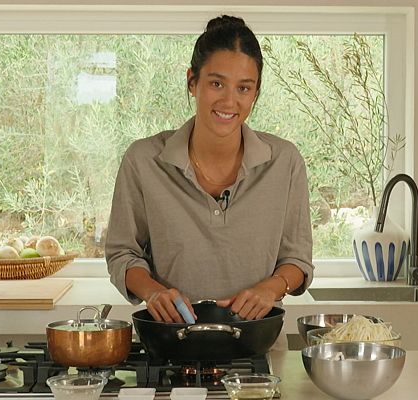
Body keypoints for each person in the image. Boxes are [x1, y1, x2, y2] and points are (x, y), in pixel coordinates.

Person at [105, 15, 313, 323]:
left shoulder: (285, 162)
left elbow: (297, 259)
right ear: (192, 82)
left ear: (256, 92)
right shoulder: (144, 160)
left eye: (244, 88)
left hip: (258, 343)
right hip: (170, 340)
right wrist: (154, 292)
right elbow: (122, 253)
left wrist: (270, 289)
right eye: (217, 84)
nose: (229, 101)